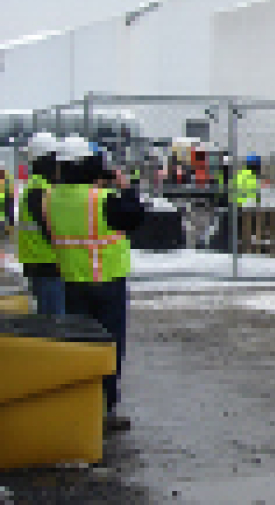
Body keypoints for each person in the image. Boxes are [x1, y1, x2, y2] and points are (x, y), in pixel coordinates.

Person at [43, 135, 145, 433]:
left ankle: (81, 402)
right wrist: (126, 188)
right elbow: (134, 217)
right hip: (107, 282)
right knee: (108, 348)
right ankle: (103, 408)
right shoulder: (100, 200)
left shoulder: (51, 197)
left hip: (72, 281)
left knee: (80, 347)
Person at [16, 133, 64, 315]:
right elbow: (50, 228)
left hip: (41, 264)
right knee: (53, 321)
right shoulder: (39, 190)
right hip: (46, 265)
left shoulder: (41, 186)